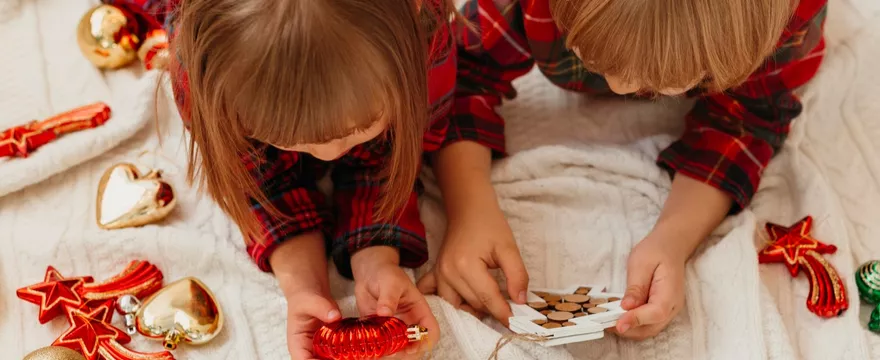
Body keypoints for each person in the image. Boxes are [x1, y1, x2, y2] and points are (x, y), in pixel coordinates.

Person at [103, 0, 528, 358]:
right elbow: (256, 181)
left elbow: (391, 155)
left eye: (357, 128)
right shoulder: (202, 73)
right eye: (292, 140)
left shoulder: (425, 34)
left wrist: (376, 260)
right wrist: (302, 284)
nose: (329, 155)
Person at [452, 0, 827, 339]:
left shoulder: (786, 26)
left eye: (661, 84)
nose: (618, 86)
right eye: (588, 54)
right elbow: (462, 71)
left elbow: (746, 121)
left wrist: (674, 238)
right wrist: (468, 206)